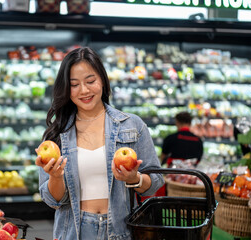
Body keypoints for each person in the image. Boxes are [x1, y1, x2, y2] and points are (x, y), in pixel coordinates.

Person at [35, 47, 164, 240]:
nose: (84, 90)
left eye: (90, 81)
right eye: (74, 84)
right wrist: (55, 177)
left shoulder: (132, 125)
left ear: (102, 80)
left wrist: (133, 178)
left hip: (122, 230)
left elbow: (155, 182)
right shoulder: (57, 135)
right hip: (74, 232)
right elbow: (53, 201)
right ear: (66, 88)